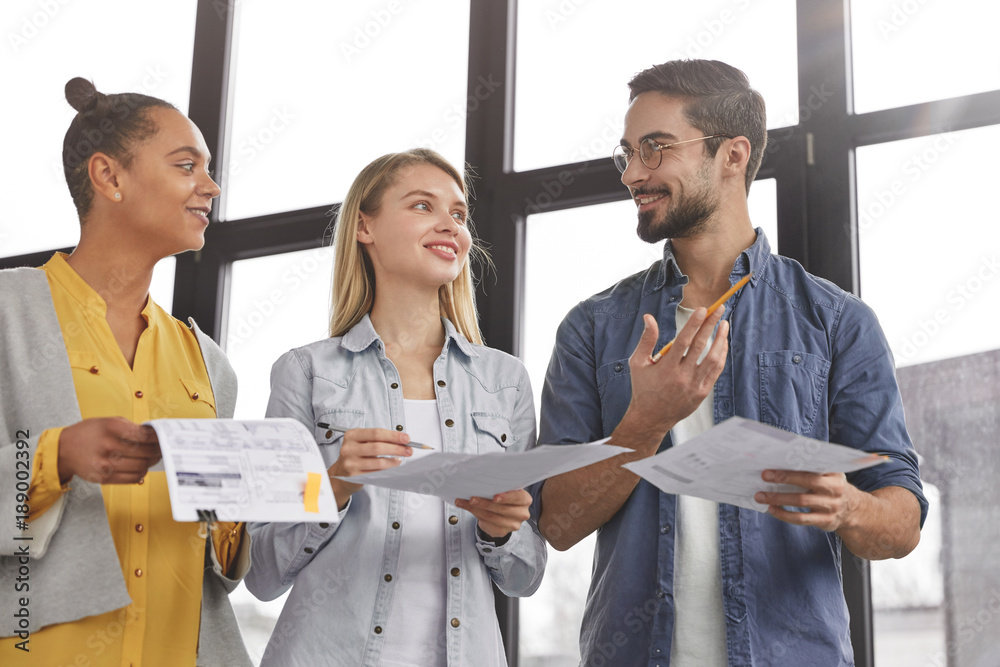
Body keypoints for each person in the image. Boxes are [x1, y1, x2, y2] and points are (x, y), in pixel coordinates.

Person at [535, 60, 927, 666]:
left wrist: (849, 506)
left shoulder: (838, 322)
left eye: (655, 149)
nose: (633, 174)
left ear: (733, 156)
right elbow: (556, 520)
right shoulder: (592, 328)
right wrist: (645, 424)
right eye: (627, 155)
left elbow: (901, 522)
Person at [245, 148, 547, 666]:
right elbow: (261, 573)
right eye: (422, 206)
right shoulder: (305, 372)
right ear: (365, 226)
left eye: (458, 213)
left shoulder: (505, 381)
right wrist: (334, 486)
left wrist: (503, 530)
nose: (449, 224)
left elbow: (525, 575)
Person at [0, 78, 250, 666]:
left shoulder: (210, 365)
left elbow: (225, 560)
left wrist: (265, 494)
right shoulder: (8, 315)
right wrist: (53, 458)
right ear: (109, 177)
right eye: (187, 165)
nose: (210, 188)